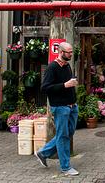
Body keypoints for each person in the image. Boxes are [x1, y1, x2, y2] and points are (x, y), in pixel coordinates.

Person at [35, 42, 80, 176]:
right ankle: (65, 167)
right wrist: (64, 85)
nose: (71, 54)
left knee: (68, 133)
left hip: (72, 106)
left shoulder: (67, 66)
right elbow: (44, 88)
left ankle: (43, 152)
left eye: (72, 52)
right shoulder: (52, 68)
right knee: (63, 136)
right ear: (61, 52)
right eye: (69, 52)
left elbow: (68, 84)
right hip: (60, 107)